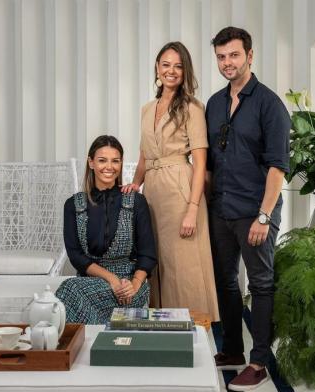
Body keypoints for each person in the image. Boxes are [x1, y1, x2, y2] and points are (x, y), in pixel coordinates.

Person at [205, 27, 290, 390]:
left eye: (234, 55)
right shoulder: (213, 103)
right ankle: (234, 350)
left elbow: (278, 166)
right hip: (221, 208)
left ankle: (258, 362)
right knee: (225, 280)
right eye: (222, 57)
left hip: (256, 211)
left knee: (261, 284)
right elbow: (209, 162)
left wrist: (264, 216)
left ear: (250, 56)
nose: (228, 63)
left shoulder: (269, 104)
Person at [122, 41, 219, 321]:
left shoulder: (192, 108)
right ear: (157, 67)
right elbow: (144, 153)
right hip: (152, 191)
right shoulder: (147, 108)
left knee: (183, 266)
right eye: (166, 64)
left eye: (178, 66)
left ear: (185, 71)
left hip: (180, 187)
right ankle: (158, 327)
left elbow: (200, 162)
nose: (171, 71)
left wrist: (192, 208)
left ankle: (194, 328)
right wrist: (135, 183)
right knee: (156, 260)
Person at [55, 135, 157, 324]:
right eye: (102, 160)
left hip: (130, 284)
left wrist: (134, 285)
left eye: (115, 161)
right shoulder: (73, 204)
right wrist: (112, 279)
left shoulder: (136, 201)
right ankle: (104, 339)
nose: (109, 167)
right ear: (91, 163)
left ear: (121, 164)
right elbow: (75, 255)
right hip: (91, 283)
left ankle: (97, 340)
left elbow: (148, 254)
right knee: (71, 289)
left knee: (70, 293)